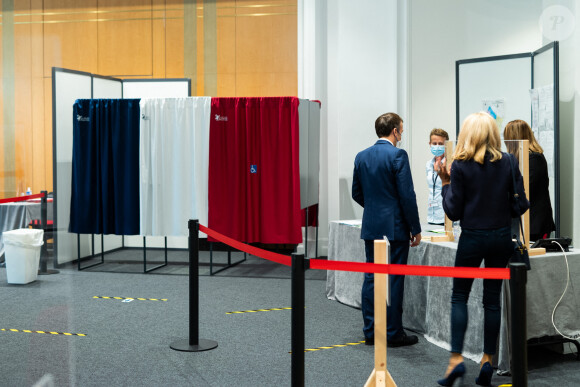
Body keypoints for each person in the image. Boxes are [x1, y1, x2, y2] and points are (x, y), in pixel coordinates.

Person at [436, 112, 529, 386]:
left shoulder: (461, 165)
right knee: (492, 300)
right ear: (492, 134)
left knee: (459, 297)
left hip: (472, 238)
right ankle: (488, 359)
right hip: (501, 237)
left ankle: (455, 360)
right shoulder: (509, 162)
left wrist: (444, 184)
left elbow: (453, 212)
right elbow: (521, 204)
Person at [352, 112, 422, 347]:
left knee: (372, 278)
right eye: (401, 129)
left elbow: (356, 193)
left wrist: (374, 209)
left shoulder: (361, 156)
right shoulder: (398, 155)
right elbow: (407, 195)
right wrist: (415, 227)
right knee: (393, 280)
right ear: (395, 131)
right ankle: (392, 333)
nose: (402, 134)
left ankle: (371, 331)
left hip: (371, 226)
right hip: (395, 228)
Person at [504, 119, 555, 241]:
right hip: (523, 221)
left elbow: (525, 189)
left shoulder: (534, 159)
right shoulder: (519, 159)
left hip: (535, 225)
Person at [426, 128, 450, 225]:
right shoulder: (428, 164)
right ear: (430, 144)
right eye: (434, 143)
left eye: (440, 144)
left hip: (446, 216)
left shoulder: (450, 164)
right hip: (431, 215)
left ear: (446, 145)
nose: (437, 146)